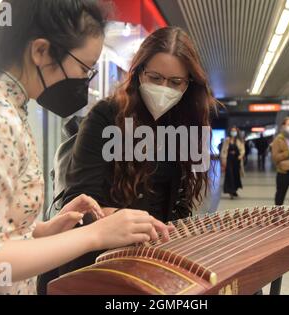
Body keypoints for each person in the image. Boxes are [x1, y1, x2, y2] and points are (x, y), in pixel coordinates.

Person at [0, 0, 172, 295]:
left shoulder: (3, 106)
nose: (85, 80)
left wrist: (42, 231)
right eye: (85, 67)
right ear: (41, 51)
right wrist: (95, 234)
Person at [44, 26, 216, 287]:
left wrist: (173, 237)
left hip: (152, 255)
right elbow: (79, 202)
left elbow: (178, 203)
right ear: (139, 74)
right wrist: (120, 219)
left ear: (188, 84)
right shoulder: (106, 116)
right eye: (155, 78)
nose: (163, 88)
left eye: (175, 82)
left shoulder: (185, 122)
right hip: (97, 259)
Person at [221, 127, 245, 199]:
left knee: (235, 175)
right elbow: (223, 150)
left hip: (236, 161)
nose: (233, 132)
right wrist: (223, 159)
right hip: (229, 160)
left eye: (234, 131)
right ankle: (231, 191)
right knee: (230, 175)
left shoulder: (239, 141)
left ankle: (234, 191)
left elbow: (242, 150)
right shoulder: (227, 140)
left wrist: (240, 156)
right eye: (232, 131)